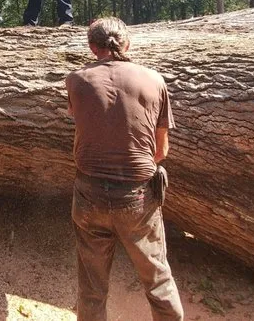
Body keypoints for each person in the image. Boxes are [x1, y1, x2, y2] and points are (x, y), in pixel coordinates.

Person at [65, 17, 184, 321]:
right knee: (157, 280)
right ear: (127, 43)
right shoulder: (154, 80)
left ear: (92, 47)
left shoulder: (75, 80)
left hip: (89, 195)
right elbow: (162, 150)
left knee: (92, 289)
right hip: (138, 199)